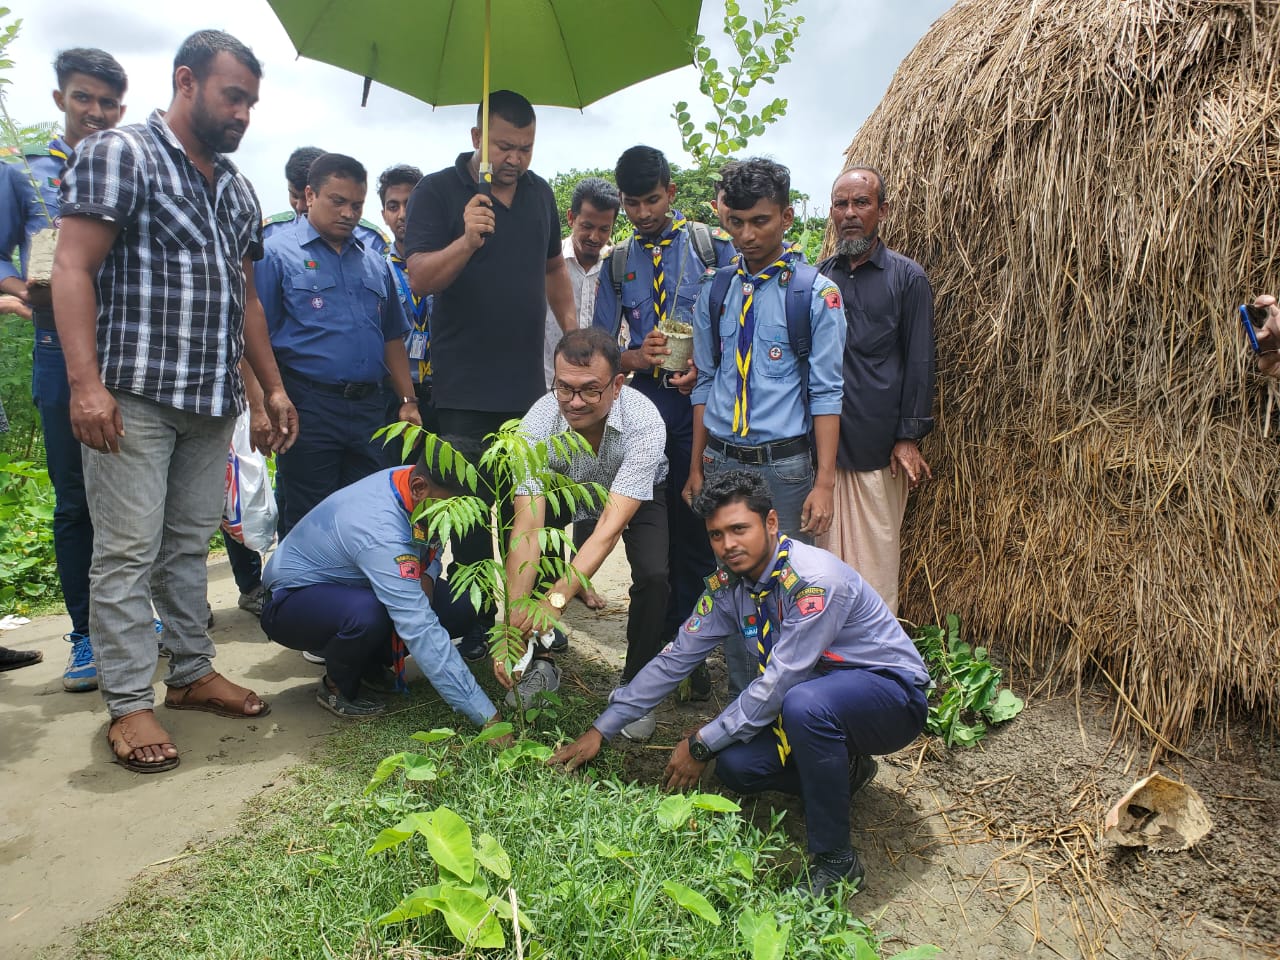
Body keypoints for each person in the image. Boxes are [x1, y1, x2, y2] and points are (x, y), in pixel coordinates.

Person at [51, 30, 298, 774]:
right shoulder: (121, 154)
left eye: (252, 101)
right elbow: (71, 266)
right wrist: (85, 384)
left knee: (187, 546)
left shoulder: (236, 187)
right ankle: (129, 704)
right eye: (233, 96)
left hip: (208, 397)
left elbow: (246, 301)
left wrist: (270, 388)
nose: (244, 113)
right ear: (186, 82)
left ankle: (190, 673)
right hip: (132, 392)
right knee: (125, 551)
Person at [551, 469, 930, 897]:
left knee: (803, 705)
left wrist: (700, 743)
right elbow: (676, 658)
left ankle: (837, 861)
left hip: (890, 697)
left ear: (770, 522)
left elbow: (780, 684)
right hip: (818, 696)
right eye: (716, 535)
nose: (728, 545)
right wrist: (604, 726)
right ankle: (848, 768)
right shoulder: (732, 586)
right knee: (735, 766)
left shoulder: (814, 582)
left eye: (739, 529)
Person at [402, 89, 576, 661]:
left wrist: (571, 335)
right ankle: (476, 628)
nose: (515, 159)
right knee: (472, 520)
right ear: (477, 138)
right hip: (463, 393)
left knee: (534, 511)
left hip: (527, 392)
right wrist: (468, 238)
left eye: (525, 148)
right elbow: (421, 278)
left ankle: (534, 624)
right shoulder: (438, 191)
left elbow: (554, 268)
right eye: (504, 145)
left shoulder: (541, 195)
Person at [0, 47, 127, 692]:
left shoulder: (132, 166)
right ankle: (84, 635)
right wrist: (24, 294)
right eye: (84, 98)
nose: (96, 113)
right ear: (60, 100)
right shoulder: (23, 174)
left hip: (131, 356)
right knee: (76, 502)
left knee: (134, 504)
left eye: (108, 102)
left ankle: (132, 624)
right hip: (59, 359)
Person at [592, 145, 735, 684]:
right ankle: (653, 647)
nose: (643, 212)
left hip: (702, 405)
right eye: (632, 203)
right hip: (646, 408)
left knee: (697, 526)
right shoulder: (620, 262)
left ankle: (691, 651)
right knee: (652, 531)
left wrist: (706, 357)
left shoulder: (711, 247)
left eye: (652, 200)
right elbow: (605, 345)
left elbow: (736, 316)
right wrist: (633, 356)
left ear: (671, 193)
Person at [501, 328, 669, 739]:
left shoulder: (645, 422)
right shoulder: (536, 425)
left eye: (590, 391)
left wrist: (557, 600)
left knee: (654, 573)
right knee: (538, 556)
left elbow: (608, 528)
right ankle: (539, 664)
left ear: (617, 384)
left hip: (636, 494)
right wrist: (516, 617)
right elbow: (527, 528)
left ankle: (636, 687)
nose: (574, 403)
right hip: (566, 489)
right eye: (564, 388)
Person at [259, 452, 497, 723]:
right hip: (291, 601)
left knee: (463, 605)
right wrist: (486, 716)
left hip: (355, 584)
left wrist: (428, 576)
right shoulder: (380, 530)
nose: (459, 520)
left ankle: (370, 666)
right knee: (368, 614)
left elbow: (431, 537)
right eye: (454, 509)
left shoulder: (416, 481)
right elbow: (419, 626)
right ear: (419, 488)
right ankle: (337, 686)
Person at [256, 152, 419, 536]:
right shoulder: (277, 254)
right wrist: (262, 404)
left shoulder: (374, 262)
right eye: (338, 201)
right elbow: (253, 337)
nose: (348, 213)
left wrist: (408, 401)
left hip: (369, 409)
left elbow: (392, 336)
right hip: (308, 405)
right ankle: (299, 596)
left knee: (369, 514)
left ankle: (355, 596)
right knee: (309, 517)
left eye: (357, 205)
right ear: (310, 195)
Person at [815, 167, 935, 614]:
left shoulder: (906, 279)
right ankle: (825, 658)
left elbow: (920, 359)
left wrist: (908, 436)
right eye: (841, 204)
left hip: (877, 446)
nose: (849, 213)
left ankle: (873, 664)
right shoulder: (817, 280)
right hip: (822, 450)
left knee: (875, 564)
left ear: (881, 210)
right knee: (823, 565)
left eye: (860, 203)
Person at [542, 177, 619, 389]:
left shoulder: (616, 269)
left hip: (597, 393)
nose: (594, 237)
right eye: (587, 226)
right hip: (545, 386)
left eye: (604, 229)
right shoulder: (546, 266)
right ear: (570, 218)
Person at [378, 163, 435, 434]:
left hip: (445, 394)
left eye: (410, 205)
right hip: (397, 396)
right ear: (384, 215)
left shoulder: (445, 264)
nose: (402, 215)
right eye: (393, 206)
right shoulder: (377, 270)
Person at [262, 145, 389, 254]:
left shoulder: (371, 240)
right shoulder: (269, 235)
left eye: (307, 197)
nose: (300, 206)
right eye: (294, 196)